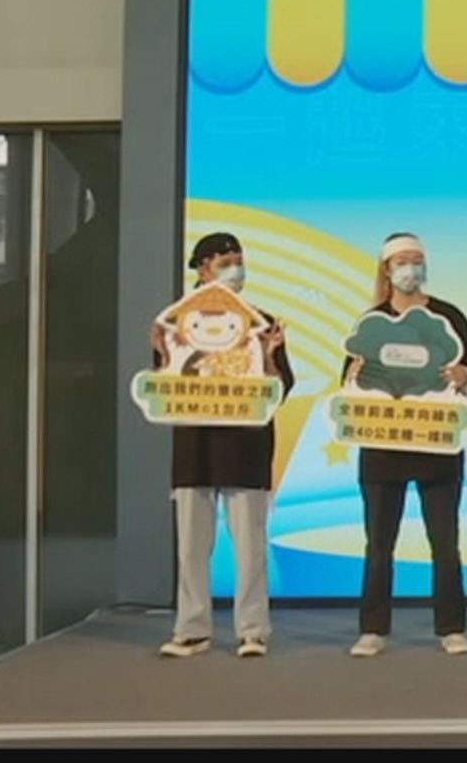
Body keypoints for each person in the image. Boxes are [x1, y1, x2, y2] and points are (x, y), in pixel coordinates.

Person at [154, 232, 294, 659]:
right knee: (191, 547)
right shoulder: (176, 322)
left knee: (250, 546)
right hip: (193, 448)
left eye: (238, 261)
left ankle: (253, 631)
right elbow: (163, 388)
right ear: (203, 268)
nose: (235, 270)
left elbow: (279, 389)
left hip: (246, 448)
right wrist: (162, 354)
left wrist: (268, 354)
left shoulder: (260, 322)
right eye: (225, 262)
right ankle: (192, 630)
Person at [346, 232, 467, 658]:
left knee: (445, 543)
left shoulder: (448, 316)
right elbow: (349, 387)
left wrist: (464, 376)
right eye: (402, 261)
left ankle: (452, 627)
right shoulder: (372, 322)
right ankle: (373, 629)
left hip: (437, 444)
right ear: (387, 269)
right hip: (383, 448)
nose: (411, 269)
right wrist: (354, 376)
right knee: (379, 545)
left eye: (417, 260)